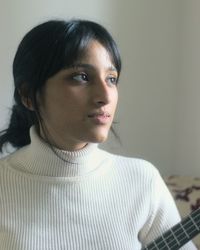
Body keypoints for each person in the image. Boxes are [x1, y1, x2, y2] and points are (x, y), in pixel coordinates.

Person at [0, 19, 196, 250]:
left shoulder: (142, 181)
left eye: (111, 79)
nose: (105, 96)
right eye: (81, 77)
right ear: (28, 95)